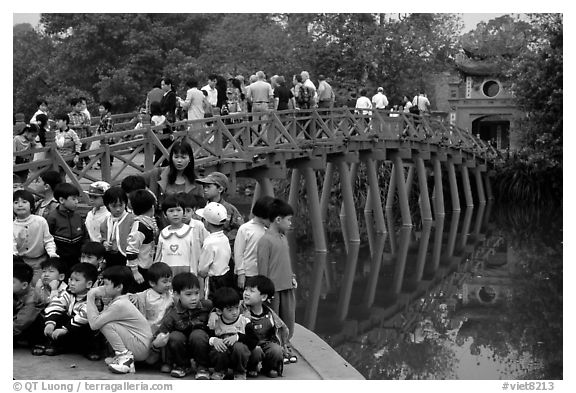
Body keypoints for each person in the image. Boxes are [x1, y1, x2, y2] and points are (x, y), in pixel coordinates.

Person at [86, 265, 153, 374]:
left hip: (141, 347)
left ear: (118, 287)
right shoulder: (120, 300)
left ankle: (125, 358)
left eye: (106, 284)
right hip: (140, 345)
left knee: (105, 324)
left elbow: (94, 324)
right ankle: (125, 358)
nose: (103, 287)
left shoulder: (120, 304)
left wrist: (90, 295)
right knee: (105, 321)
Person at [150, 272, 212, 379]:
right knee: (174, 336)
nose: (194, 298)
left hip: (202, 346)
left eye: (196, 293)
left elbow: (224, 308)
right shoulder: (172, 314)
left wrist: (215, 313)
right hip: (182, 350)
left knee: (198, 334)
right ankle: (182, 366)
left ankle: (202, 367)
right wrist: (156, 343)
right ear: (177, 294)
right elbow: (160, 334)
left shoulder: (207, 306)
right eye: (188, 294)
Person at [257, 198, 297, 344]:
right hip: (274, 289)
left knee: (288, 320)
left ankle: (286, 345)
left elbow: (285, 261)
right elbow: (262, 268)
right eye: (289, 220)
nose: (290, 223)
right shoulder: (265, 241)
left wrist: (292, 276)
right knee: (274, 321)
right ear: (278, 219)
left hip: (287, 286)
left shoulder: (283, 238)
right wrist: (264, 291)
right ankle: (276, 347)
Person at [42, 263, 102, 359]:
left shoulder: (93, 297)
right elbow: (56, 304)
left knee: (89, 326)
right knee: (56, 315)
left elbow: (83, 316)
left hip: (83, 330)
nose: (72, 283)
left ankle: (91, 349)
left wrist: (65, 329)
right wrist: (50, 323)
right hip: (69, 329)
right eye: (71, 279)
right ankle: (56, 344)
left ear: (89, 284)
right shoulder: (68, 293)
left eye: (77, 280)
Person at [243, 275, 290, 377]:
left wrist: (283, 345)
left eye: (251, 291)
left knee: (276, 350)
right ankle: (251, 366)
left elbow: (280, 328)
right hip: (249, 345)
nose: (246, 293)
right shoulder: (241, 310)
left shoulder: (269, 314)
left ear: (263, 297)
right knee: (256, 351)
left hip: (265, 343)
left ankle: (269, 367)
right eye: (245, 289)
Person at [207, 287, 257, 380]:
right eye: (230, 310)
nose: (235, 312)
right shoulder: (215, 322)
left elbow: (254, 341)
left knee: (239, 347)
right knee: (218, 347)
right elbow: (207, 336)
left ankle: (240, 372)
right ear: (219, 311)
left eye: (237, 308)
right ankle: (220, 370)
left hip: (240, 357)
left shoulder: (244, 322)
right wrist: (214, 340)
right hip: (222, 355)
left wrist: (238, 337)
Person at [154, 194, 208, 277]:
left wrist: (193, 273)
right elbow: (159, 255)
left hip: (186, 273)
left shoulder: (190, 231)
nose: (175, 214)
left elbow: (195, 254)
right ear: (165, 214)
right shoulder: (163, 233)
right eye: (171, 211)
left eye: (178, 210)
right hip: (167, 273)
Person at [14, 190, 59, 285]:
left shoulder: (40, 221)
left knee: (39, 286)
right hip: (21, 262)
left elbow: (48, 240)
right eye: (16, 202)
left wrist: (52, 253)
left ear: (31, 206)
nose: (20, 205)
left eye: (24, 202)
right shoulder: (11, 226)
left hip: (40, 262)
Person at [141, 138, 202, 208]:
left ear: (190, 159)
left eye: (183, 157)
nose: (179, 160)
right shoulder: (157, 173)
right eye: (176, 157)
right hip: (160, 217)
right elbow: (133, 180)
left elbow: (200, 206)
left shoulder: (197, 182)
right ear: (171, 157)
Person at [195, 171, 244, 249]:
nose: (205, 189)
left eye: (208, 187)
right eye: (204, 187)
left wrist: (224, 239)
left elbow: (240, 230)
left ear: (220, 189)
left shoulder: (230, 209)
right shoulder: (199, 208)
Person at [234, 195, 274, 290]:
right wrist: (241, 273)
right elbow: (238, 253)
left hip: (260, 273)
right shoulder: (245, 229)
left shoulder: (267, 230)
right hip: (247, 274)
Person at [46, 183, 86, 271]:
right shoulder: (52, 218)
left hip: (77, 258)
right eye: (73, 199)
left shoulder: (78, 217)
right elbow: (47, 239)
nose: (77, 201)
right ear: (61, 200)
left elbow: (84, 237)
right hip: (60, 259)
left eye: (77, 198)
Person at [196, 202, 232, 299]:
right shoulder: (224, 238)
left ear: (206, 222)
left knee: (211, 302)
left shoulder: (209, 242)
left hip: (213, 280)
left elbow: (202, 270)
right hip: (226, 276)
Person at [126, 189, 159, 287]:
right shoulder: (139, 226)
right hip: (139, 269)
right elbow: (131, 250)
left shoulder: (148, 222)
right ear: (152, 206)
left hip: (147, 265)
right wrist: (135, 272)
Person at [14, 259, 45, 350]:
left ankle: (37, 343)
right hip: (17, 325)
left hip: (32, 326)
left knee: (35, 321)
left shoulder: (32, 298)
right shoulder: (15, 292)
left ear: (24, 285)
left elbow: (23, 322)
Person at [100, 186, 134, 268]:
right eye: (114, 206)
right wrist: (104, 243)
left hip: (126, 257)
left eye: (121, 205)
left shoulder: (131, 219)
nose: (118, 209)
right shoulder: (107, 220)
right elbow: (103, 237)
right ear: (107, 205)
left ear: (125, 203)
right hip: (110, 256)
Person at [246, 71, 273, 142]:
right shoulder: (267, 85)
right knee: (264, 124)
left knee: (255, 124)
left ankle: (254, 141)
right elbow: (271, 96)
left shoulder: (252, 86)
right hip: (264, 103)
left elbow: (248, 97)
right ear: (263, 77)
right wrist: (268, 102)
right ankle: (265, 141)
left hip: (255, 103)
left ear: (257, 77)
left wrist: (251, 103)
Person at [53, 113, 81, 178]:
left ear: (65, 121)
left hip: (67, 157)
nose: (56, 123)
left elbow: (78, 143)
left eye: (58, 121)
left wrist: (77, 155)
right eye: (56, 121)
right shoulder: (56, 133)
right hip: (57, 157)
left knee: (60, 174)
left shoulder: (71, 132)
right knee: (57, 174)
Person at [68, 98, 91, 169]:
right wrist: (75, 126)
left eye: (81, 106)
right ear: (73, 106)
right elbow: (67, 125)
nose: (80, 108)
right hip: (75, 138)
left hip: (83, 136)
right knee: (77, 151)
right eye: (78, 106)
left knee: (84, 150)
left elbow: (88, 123)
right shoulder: (69, 116)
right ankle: (79, 166)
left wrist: (84, 125)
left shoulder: (84, 115)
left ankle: (88, 164)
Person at [96, 101, 114, 165]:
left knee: (108, 151)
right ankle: (103, 163)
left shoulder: (109, 118)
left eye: (101, 108)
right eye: (99, 108)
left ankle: (108, 163)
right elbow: (99, 126)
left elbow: (109, 129)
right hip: (102, 137)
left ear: (106, 110)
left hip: (108, 138)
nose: (100, 110)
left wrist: (103, 133)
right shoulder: (102, 117)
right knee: (101, 150)